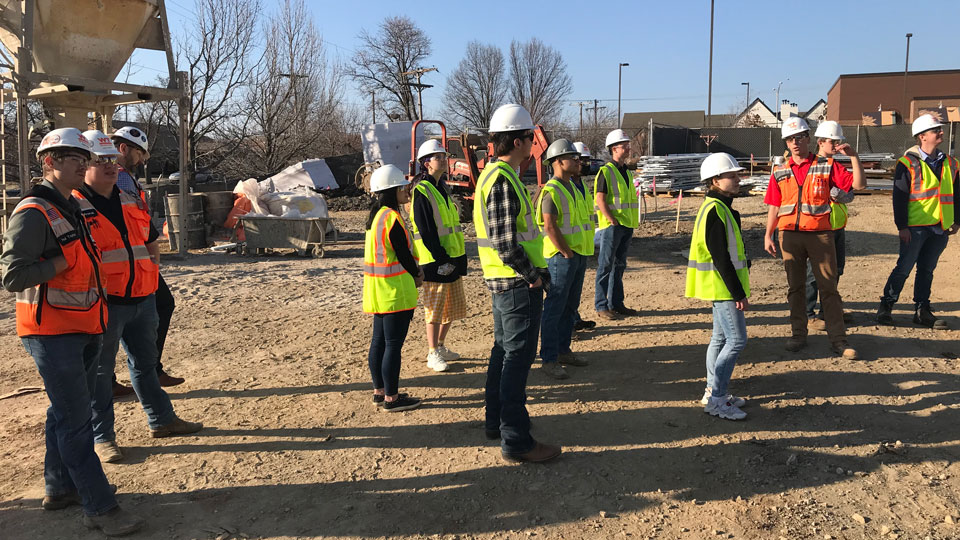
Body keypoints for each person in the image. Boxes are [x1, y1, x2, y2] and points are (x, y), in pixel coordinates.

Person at [0, 128, 143, 535]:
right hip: (51, 332)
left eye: (85, 156)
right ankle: (100, 509)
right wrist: (58, 265)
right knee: (75, 420)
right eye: (73, 157)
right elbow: (12, 275)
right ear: (49, 163)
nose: (85, 163)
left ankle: (59, 488)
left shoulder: (68, 206)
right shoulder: (33, 212)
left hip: (82, 325)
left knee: (62, 412)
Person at [76, 131, 203, 464]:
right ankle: (102, 438)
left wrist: (149, 277)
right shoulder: (73, 206)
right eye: (97, 161)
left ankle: (161, 419)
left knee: (145, 365)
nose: (108, 166)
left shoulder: (127, 198)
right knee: (101, 375)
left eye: (109, 160)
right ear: (82, 166)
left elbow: (149, 240)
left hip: (141, 298)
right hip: (105, 303)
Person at [474, 104, 561, 463]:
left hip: (506, 282)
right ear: (517, 140)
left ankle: (496, 421)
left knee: (504, 352)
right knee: (517, 359)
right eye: (529, 137)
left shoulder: (496, 175)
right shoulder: (501, 180)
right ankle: (516, 440)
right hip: (515, 284)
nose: (534, 144)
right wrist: (535, 276)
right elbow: (506, 243)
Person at [763, 116, 858, 360]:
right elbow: (774, 205)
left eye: (799, 137)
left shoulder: (827, 165)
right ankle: (798, 334)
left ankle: (838, 340)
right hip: (789, 236)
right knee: (795, 288)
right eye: (789, 139)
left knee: (829, 288)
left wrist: (854, 157)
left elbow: (857, 184)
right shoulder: (780, 170)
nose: (794, 143)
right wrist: (768, 234)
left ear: (808, 138)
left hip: (820, 235)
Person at [111, 126, 183, 391]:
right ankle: (147, 370)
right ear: (124, 148)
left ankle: (150, 369)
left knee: (156, 306)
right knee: (150, 308)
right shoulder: (118, 178)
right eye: (140, 153)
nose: (143, 160)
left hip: (136, 257)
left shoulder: (125, 178)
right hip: (126, 260)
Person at [877, 114, 959, 329]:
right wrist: (902, 226)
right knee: (903, 268)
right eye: (936, 130)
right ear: (922, 136)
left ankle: (922, 311)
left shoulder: (951, 163)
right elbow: (900, 198)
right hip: (914, 228)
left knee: (927, 270)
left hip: (939, 228)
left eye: (940, 129)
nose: (941, 132)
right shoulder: (907, 163)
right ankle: (886, 306)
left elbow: (957, 195)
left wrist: (957, 220)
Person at [687, 153, 751, 421]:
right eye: (732, 176)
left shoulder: (718, 206)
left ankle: (712, 391)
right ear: (715, 180)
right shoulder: (715, 210)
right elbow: (720, 256)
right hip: (722, 287)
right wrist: (737, 292)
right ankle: (716, 399)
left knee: (720, 339)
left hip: (719, 286)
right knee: (736, 340)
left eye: (737, 175)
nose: (738, 180)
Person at [363, 164, 423, 412]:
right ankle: (392, 398)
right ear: (393, 189)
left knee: (379, 343)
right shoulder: (391, 218)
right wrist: (417, 274)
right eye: (404, 187)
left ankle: (380, 391)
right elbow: (403, 254)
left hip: (378, 290)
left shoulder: (376, 216)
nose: (407, 191)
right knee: (392, 346)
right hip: (395, 291)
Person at [410, 139, 468, 373]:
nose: (444, 159)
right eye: (438, 157)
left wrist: (452, 258)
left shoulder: (441, 187)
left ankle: (441, 345)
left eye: (444, 156)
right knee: (434, 309)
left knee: (451, 307)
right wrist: (440, 257)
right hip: (435, 260)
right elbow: (426, 229)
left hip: (452, 256)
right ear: (426, 163)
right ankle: (432, 351)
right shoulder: (422, 190)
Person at [536, 139, 591, 380]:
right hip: (561, 257)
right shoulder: (552, 190)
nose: (578, 161)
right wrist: (566, 252)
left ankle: (563, 350)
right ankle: (548, 359)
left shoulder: (574, 187)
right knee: (555, 308)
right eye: (573, 157)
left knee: (570, 307)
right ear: (558, 162)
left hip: (577, 255)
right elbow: (549, 225)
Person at [805, 121, 864, 330]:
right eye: (833, 141)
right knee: (814, 273)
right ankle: (808, 314)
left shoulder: (835, 166)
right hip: (819, 228)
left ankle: (827, 311)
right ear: (821, 142)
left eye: (839, 141)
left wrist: (853, 156)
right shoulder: (812, 166)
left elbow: (858, 185)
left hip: (837, 227)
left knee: (836, 271)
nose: (837, 145)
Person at [594, 129, 640, 321]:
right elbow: (600, 199)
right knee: (605, 265)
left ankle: (616, 303)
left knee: (619, 265)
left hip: (626, 224)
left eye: (628, 145)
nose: (628, 148)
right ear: (614, 149)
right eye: (624, 145)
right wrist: (611, 219)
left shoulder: (626, 173)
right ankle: (601, 305)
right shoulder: (606, 172)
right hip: (613, 226)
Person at [571, 141, 596, 332]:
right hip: (568, 249)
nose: (585, 164)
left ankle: (574, 318)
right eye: (582, 160)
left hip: (582, 246)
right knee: (563, 294)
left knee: (574, 293)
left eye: (587, 160)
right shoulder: (566, 186)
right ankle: (566, 326)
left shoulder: (581, 187)